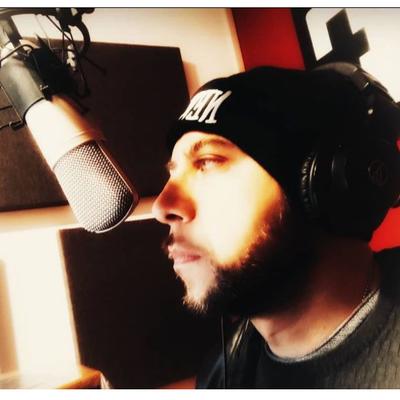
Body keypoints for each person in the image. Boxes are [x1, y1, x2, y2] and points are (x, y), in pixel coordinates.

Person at [152, 62, 400, 388]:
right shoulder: (223, 372)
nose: (162, 207)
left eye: (208, 162)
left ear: (326, 185)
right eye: (173, 173)